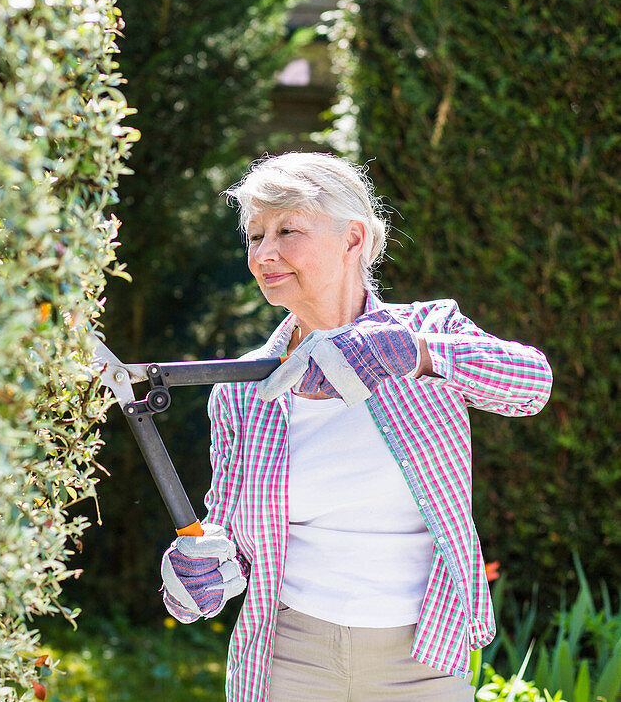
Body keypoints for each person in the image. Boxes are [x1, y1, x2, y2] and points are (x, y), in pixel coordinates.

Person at [157, 153, 553, 701]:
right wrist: (197, 575)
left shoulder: (427, 333)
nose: (264, 252)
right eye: (254, 236)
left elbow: (531, 385)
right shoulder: (243, 388)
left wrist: (415, 354)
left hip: (422, 656)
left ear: (352, 240)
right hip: (289, 657)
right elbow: (231, 534)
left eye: (287, 230)